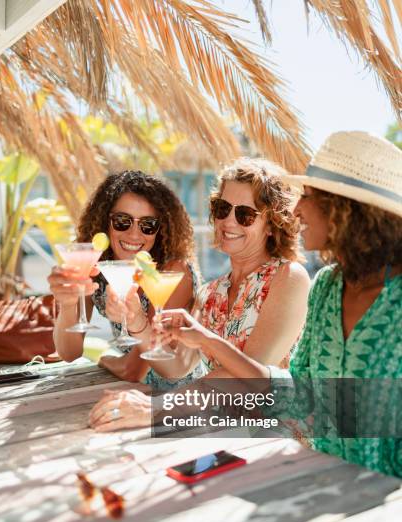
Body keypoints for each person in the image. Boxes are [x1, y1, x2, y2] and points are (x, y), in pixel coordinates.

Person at [147, 131, 402, 477]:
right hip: (322, 481)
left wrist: (163, 408)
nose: (296, 209)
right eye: (222, 210)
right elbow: (297, 394)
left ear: (344, 209)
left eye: (308, 197)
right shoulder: (327, 287)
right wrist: (205, 340)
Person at [88, 158, 310, 430]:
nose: (228, 221)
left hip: (276, 440)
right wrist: (136, 322)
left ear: (273, 224)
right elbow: (176, 367)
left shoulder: (288, 278)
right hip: (218, 431)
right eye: (222, 208)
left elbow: (247, 373)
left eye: (245, 215)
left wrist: (157, 407)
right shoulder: (210, 293)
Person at [48, 170, 203, 388]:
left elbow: (132, 369)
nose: (134, 234)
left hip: (178, 398)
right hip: (128, 392)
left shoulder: (172, 272)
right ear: (105, 221)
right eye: (122, 221)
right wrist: (67, 305)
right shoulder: (97, 267)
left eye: (147, 224)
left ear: (160, 229)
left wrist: (102, 358)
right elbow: (69, 352)